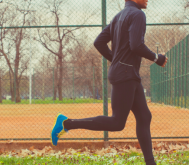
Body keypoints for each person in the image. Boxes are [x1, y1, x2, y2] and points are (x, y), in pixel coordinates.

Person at [51, 0, 168, 164]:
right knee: (117, 122)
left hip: (127, 73)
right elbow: (136, 45)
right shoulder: (138, 15)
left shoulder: (118, 17)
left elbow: (99, 42)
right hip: (125, 75)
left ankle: (150, 162)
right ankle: (66, 123)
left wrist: (117, 60)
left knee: (144, 116)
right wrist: (157, 58)